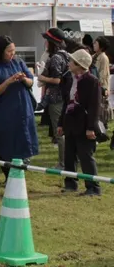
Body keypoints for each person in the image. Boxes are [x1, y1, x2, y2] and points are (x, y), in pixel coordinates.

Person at [0, 36, 38, 181]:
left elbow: (30, 81)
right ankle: (8, 175)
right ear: (0, 51)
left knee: (23, 139)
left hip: (22, 108)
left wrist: (23, 79)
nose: (12, 54)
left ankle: (20, 170)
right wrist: (8, 82)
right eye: (9, 51)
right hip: (4, 111)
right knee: (5, 143)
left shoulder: (18, 62)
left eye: (14, 51)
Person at [59, 49, 102, 196]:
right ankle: (70, 183)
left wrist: (91, 128)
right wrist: (60, 124)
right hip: (70, 123)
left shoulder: (92, 81)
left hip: (84, 125)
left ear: (79, 65)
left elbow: (94, 106)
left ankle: (93, 187)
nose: (69, 63)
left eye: (71, 61)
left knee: (85, 156)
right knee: (69, 156)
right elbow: (66, 103)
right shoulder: (70, 79)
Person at [37, 28, 70, 169]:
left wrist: (42, 77)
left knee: (60, 131)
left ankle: (63, 163)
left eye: (47, 40)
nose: (45, 43)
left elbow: (57, 80)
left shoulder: (56, 57)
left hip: (56, 98)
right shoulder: (66, 55)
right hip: (65, 97)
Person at [92, 37, 111, 133]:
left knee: (101, 109)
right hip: (94, 86)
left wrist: (103, 88)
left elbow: (103, 75)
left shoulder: (103, 58)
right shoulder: (94, 56)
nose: (94, 44)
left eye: (96, 43)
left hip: (100, 87)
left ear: (101, 46)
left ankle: (102, 130)